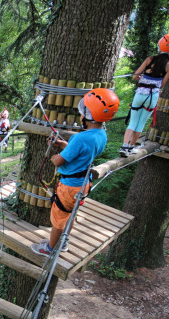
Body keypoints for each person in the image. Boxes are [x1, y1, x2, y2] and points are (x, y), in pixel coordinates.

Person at [31, 88, 119, 256]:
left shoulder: (80, 138)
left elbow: (59, 161)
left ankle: (49, 248)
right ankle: (63, 242)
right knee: (70, 215)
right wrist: (64, 145)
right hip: (83, 184)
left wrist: (55, 155)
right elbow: (82, 152)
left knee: (58, 218)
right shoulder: (101, 135)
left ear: (88, 115)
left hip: (69, 186)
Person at [120, 33, 169, 157]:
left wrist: (143, 78)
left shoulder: (150, 59)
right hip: (153, 96)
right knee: (141, 122)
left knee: (133, 122)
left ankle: (124, 146)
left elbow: (136, 76)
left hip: (141, 93)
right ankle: (131, 147)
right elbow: (162, 84)